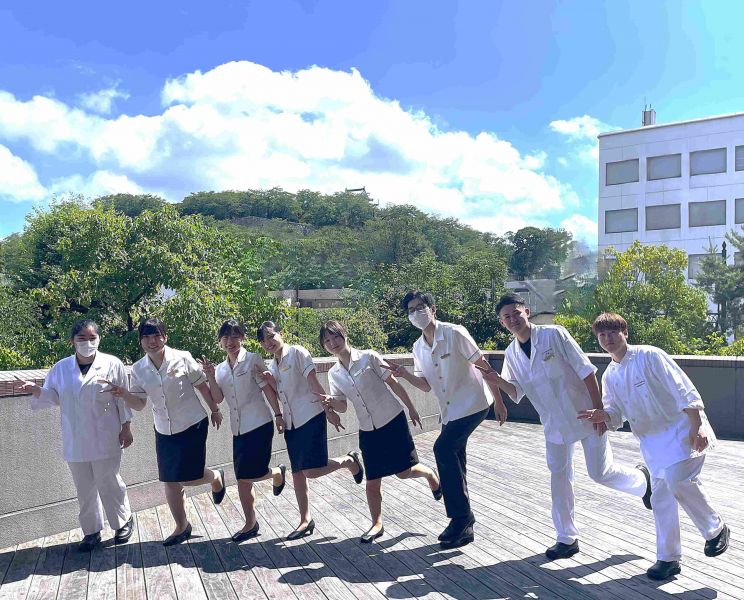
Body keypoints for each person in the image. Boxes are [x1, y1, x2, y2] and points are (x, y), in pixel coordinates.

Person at [480, 293, 650, 561]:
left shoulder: (554, 335)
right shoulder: (512, 353)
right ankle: (566, 538)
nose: (513, 319)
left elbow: (586, 371)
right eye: (506, 317)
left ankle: (642, 482)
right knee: (559, 478)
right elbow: (516, 391)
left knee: (600, 473)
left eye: (516, 313)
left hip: (586, 414)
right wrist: (496, 380)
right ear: (502, 323)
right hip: (553, 424)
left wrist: (600, 411)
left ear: (526, 312)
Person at [578, 312, 730, 581]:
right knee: (660, 499)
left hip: (683, 430)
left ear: (625, 333)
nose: (608, 338)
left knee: (677, 480)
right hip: (652, 444)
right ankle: (668, 559)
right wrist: (604, 415)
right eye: (602, 334)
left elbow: (683, 389)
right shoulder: (610, 375)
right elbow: (616, 413)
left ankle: (716, 530)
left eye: (613, 332)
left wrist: (697, 426)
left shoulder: (650, 355)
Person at [383, 291, 508, 550]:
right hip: (450, 412)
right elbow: (425, 385)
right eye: (410, 310)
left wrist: (499, 400)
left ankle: (460, 518)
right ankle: (465, 528)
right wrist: (404, 374)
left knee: (442, 448)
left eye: (420, 307)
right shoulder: (418, 347)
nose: (416, 313)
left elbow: (484, 366)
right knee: (455, 460)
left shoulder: (454, 333)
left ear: (433, 309)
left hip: (473, 404)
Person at [15, 319, 134, 552]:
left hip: (106, 435)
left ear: (99, 339)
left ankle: (123, 521)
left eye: (92, 338)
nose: (87, 342)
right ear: (72, 341)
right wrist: (35, 389)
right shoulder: (60, 368)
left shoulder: (113, 364)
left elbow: (122, 399)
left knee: (109, 482)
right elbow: (54, 396)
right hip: (75, 438)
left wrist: (126, 427)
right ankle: (91, 531)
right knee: (84, 487)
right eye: (82, 338)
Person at [319, 320, 442, 543]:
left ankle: (430, 475)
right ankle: (376, 524)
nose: (332, 343)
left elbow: (393, 383)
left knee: (403, 472)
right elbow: (342, 405)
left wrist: (411, 408)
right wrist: (330, 404)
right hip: (368, 429)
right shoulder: (333, 373)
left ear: (344, 334)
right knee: (372, 479)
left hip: (392, 420)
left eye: (335, 336)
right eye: (326, 340)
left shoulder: (369, 357)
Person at [108, 317, 226, 546]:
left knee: (189, 478)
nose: (152, 341)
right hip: (163, 429)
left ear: (165, 337)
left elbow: (202, 386)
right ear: (140, 341)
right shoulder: (139, 369)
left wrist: (215, 410)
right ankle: (182, 526)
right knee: (170, 480)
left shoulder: (182, 357)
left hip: (192, 424)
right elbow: (139, 404)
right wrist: (124, 394)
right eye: (146, 337)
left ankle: (216, 477)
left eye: (156, 336)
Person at [257, 321, 364, 540]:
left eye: (271, 336)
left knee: (311, 471)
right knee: (297, 473)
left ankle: (349, 461)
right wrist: (272, 386)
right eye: (263, 341)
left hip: (311, 416)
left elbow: (314, 384)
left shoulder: (297, 353)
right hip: (292, 422)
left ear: (281, 333)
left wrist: (328, 411)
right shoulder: (273, 365)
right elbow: (282, 393)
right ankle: (305, 520)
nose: (268, 343)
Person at [200, 319, 288, 542]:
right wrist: (210, 375)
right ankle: (251, 523)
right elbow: (218, 398)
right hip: (238, 429)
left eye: (235, 337)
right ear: (220, 341)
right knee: (243, 478)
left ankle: (276, 474)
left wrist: (278, 415)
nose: (230, 342)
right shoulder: (220, 369)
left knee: (251, 475)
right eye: (226, 337)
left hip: (259, 424)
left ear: (242, 338)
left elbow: (267, 389)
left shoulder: (252, 359)